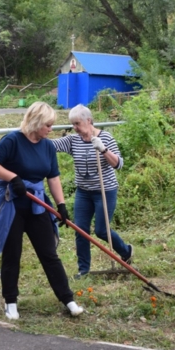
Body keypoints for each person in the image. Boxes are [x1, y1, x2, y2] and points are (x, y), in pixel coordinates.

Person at [0, 101, 84, 320]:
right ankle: (10, 302)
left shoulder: (48, 146)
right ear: (36, 122)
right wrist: (13, 177)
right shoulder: (12, 140)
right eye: (47, 125)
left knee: (49, 254)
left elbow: (53, 177)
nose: (51, 129)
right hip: (12, 205)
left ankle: (68, 299)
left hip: (36, 205)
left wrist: (61, 205)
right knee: (12, 255)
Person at [51, 104, 133, 278]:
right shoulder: (73, 141)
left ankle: (126, 251)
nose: (75, 128)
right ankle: (84, 270)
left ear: (88, 121)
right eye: (73, 124)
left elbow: (118, 164)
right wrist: (31, 134)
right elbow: (50, 145)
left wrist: (103, 149)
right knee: (81, 230)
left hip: (105, 190)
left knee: (102, 230)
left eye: (78, 123)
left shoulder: (106, 137)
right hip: (83, 192)